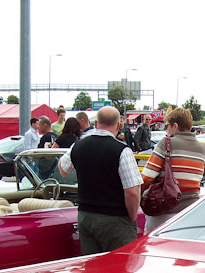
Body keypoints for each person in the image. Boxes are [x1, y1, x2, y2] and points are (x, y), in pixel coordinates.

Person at [58, 105, 142, 254]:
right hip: (115, 219)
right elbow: (132, 191)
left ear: (96, 124)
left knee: (92, 268)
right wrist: (132, 216)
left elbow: (63, 170)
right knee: (120, 268)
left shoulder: (78, 145)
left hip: (86, 216)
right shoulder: (122, 150)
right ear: (118, 125)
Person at [140, 107, 205, 233]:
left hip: (165, 208)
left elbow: (147, 177)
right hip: (191, 210)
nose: (166, 130)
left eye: (167, 126)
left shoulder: (166, 143)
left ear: (175, 126)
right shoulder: (203, 148)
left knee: (153, 246)